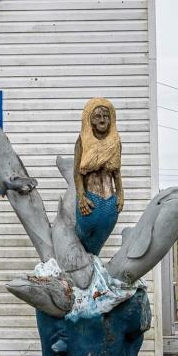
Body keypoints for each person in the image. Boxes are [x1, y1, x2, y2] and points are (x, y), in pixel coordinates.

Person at [73, 97, 122, 254]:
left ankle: (94, 264)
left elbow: (116, 171)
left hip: (110, 200)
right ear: (90, 120)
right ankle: (81, 263)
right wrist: (81, 196)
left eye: (106, 116)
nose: (102, 120)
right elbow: (76, 172)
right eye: (98, 116)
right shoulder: (82, 141)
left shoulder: (115, 142)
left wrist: (120, 193)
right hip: (90, 199)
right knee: (82, 235)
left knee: (100, 239)